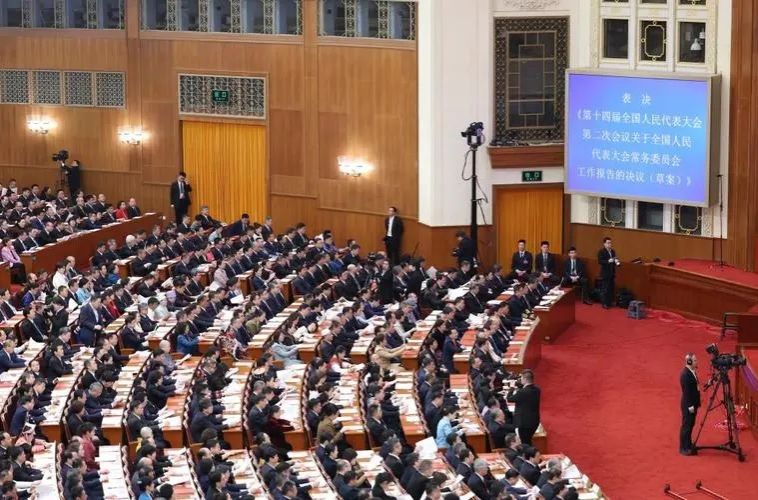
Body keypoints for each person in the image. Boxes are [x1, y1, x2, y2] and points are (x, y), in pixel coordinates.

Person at [507, 369, 540, 446]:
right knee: (528, 441)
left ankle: (528, 453)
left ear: (525, 379)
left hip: (523, 423)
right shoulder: (537, 390)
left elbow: (509, 399)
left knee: (524, 443)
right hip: (534, 421)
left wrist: (511, 388)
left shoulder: (522, 392)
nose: (520, 379)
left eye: (521, 378)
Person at [679, 353, 701, 456]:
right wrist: (690, 406)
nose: (696, 362)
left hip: (693, 404)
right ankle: (683, 448)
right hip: (689, 405)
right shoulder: (685, 375)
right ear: (689, 361)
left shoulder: (692, 371)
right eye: (695, 360)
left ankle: (688, 444)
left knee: (691, 425)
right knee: (686, 426)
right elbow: (686, 392)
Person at [597, 236, 619, 309]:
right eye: (608, 243)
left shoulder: (613, 251)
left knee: (610, 288)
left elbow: (614, 259)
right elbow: (600, 261)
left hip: (612, 272)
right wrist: (608, 261)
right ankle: (604, 303)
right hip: (605, 273)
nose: (610, 244)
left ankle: (609, 302)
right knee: (605, 289)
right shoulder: (601, 251)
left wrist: (616, 261)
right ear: (604, 244)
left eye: (610, 243)